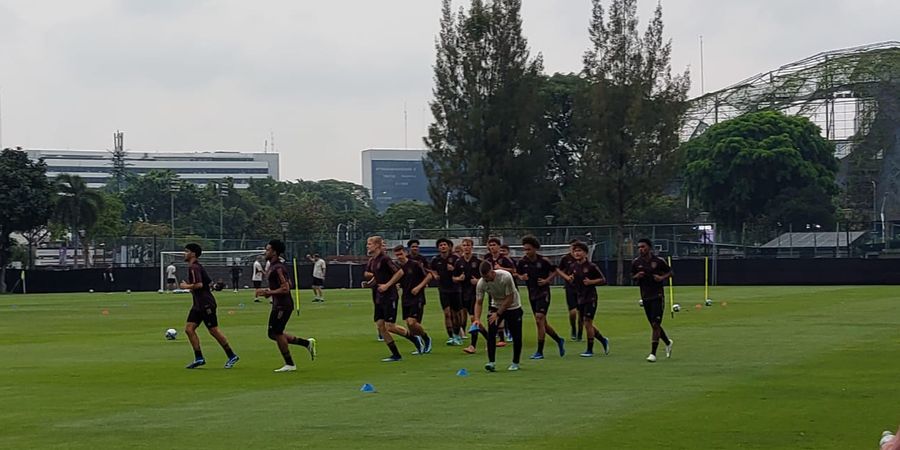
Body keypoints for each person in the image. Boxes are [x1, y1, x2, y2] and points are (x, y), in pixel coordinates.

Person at [256, 239, 316, 372]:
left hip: (283, 305)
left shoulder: (278, 268)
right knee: (272, 334)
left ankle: (290, 364)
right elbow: (289, 284)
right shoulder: (274, 266)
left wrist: (269, 292)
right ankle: (306, 343)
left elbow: (286, 288)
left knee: (277, 333)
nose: (265, 252)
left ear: (274, 252)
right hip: (279, 304)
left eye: (268, 250)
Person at [179, 243, 239, 369]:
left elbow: (199, 284)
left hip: (206, 304)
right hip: (198, 304)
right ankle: (199, 358)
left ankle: (232, 355)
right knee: (189, 329)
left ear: (193, 254)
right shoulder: (196, 267)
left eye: (186, 251)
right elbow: (208, 283)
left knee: (213, 330)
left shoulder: (194, 267)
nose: (184, 254)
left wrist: (186, 287)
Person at [363, 235, 423, 361]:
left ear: (377, 245)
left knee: (390, 326)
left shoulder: (384, 259)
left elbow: (400, 272)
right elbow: (378, 277)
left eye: (370, 243)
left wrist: (387, 285)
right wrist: (370, 284)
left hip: (389, 297)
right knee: (380, 326)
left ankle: (414, 338)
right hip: (379, 297)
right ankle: (396, 354)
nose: (367, 246)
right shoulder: (373, 260)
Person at [516, 236, 565, 359]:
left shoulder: (544, 261)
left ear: (535, 248)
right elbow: (516, 272)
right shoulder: (522, 262)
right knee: (543, 323)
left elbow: (555, 270)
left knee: (539, 319)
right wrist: (521, 277)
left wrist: (547, 280)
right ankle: (559, 340)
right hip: (532, 294)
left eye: (529, 249)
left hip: (543, 293)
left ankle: (539, 351)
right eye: (525, 249)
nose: (527, 252)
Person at [559, 242, 610, 358]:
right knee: (586, 322)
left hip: (590, 297)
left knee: (587, 322)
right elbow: (572, 278)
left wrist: (591, 282)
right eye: (575, 251)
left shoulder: (591, 266)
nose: (577, 253)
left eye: (579, 251)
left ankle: (590, 349)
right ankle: (603, 340)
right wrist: (571, 279)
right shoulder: (573, 267)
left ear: (586, 253)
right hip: (580, 297)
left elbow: (603, 280)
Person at [474, 261, 523, 372]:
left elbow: (509, 298)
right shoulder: (481, 283)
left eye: (487, 276)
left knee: (516, 335)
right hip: (495, 305)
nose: (486, 279)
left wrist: (498, 314)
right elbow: (479, 302)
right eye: (483, 277)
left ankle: (515, 362)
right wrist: (476, 319)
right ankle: (491, 362)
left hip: (513, 306)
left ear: (492, 271)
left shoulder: (505, 277)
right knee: (491, 333)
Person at [631, 238, 673, 363]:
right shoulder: (636, 262)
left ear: (649, 247)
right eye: (639, 247)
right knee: (654, 324)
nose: (640, 249)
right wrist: (636, 276)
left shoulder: (658, 261)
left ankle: (653, 354)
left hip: (658, 295)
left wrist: (661, 278)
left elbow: (670, 272)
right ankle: (667, 342)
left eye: (643, 247)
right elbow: (631, 276)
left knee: (655, 324)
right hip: (645, 296)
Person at [393, 245, 433, 354]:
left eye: (401, 254)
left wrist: (419, 287)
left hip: (417, 297)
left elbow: (429, 276)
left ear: (405, 253)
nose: (399, 257)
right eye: (397, 255)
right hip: (405, 298)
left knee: (412, 322)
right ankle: (419, 345)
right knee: (409, 324)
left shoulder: (415, 264)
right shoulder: (397, 268)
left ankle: (426, 338)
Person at [430, 238, 465, 346]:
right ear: (438, 248)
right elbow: (431, 269)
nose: (443, 247)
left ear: (449, 247)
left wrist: (454, 271)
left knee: (456, 314)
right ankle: (451, 336)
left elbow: (463, 274)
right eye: (440, 245)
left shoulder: (456, 259)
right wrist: (434, 274)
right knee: (447, 313)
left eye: (444, 245)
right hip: (443, 289)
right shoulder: (436, 259)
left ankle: (457, 334)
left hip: (455, 289)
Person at [483, 238, 516, 345]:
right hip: (493, 289)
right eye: (490, 245)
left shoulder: (505, 259)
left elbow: (513, 270)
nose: (492, 247)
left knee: (507, 311)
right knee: (493, 313)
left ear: (498, 246)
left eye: (494, 245)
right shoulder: (487, 259)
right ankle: (500, 338)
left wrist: (501, 268)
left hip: (505, 288)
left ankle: (510, 332)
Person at [459, 238, 487, 354]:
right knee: (474, 320)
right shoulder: (459, 262)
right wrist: (458, 278)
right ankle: (489, 338)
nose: (466, 247)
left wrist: (479, 281)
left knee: (473, 319)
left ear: (472, 247)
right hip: (463, 293)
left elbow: (486, 277)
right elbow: (454, 277)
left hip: (476, 293)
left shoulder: (478, 262)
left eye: (468, 245)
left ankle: (472, 346)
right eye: (464, 245)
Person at [557, 240, 583, 341]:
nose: (575, 251)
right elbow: (558, 269)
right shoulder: (565, 258)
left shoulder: (582, 259)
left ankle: (580, 332)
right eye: (573, 248)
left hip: (581, 288)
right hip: (570, 287)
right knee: (572, 312)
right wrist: (566, 277)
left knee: (581, 312)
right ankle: (573, 328)